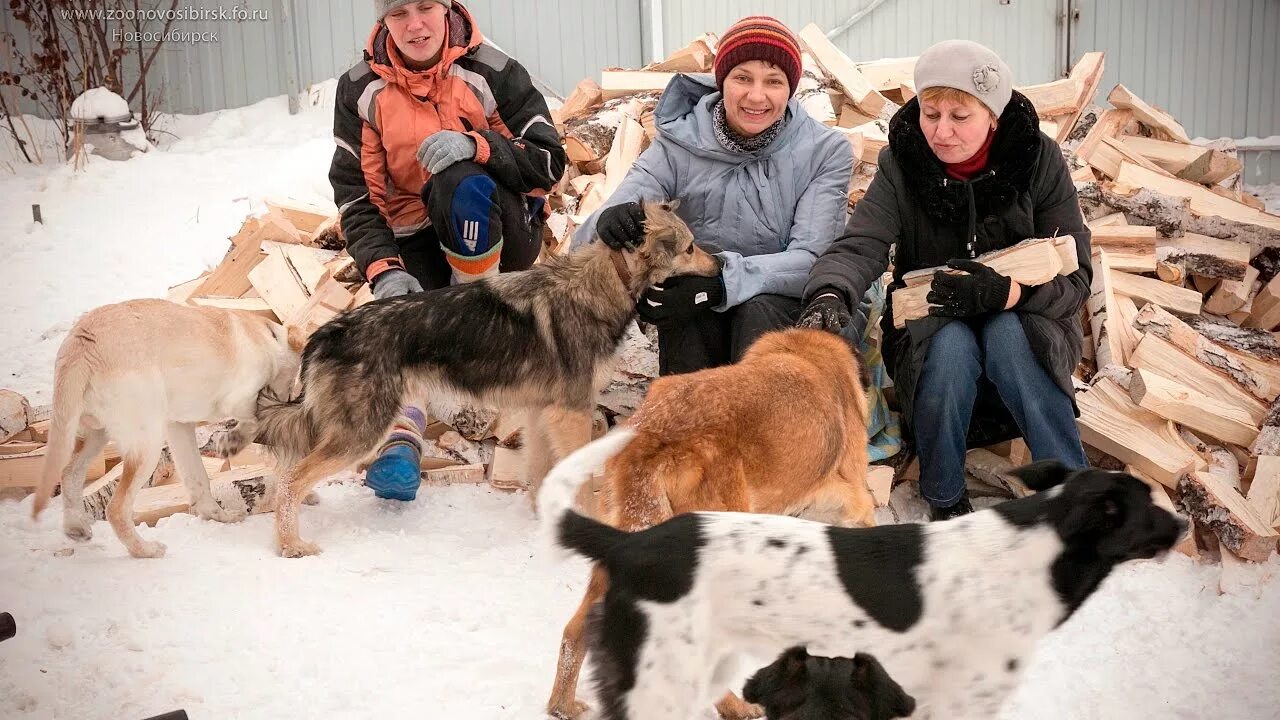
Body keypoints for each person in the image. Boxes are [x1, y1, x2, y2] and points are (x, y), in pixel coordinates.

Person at [798, 40, 1091, 521]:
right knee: (952, 342)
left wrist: (1011, 293)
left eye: (960, 117)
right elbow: (863, 244)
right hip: (933, 332)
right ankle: (945, 496)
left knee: (1007, 332)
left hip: (1028, 320)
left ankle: (1072, 491)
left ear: (992, 117)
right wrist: (831, 290)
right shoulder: (903, 165)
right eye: (931, 114)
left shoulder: (1038, 161)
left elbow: (1077, 274)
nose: (941, 131)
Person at [330, 0, 566, 499]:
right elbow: (355, 196)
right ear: (382, 21)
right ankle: (399, 439)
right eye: (398, 13)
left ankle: (477, 314)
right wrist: (383, 268)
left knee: (456, 178)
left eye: (425, 7)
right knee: (397, 318)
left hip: (499, 237)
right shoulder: (359, 89)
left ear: (447, 8)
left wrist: (479, 146)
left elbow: (550, 161)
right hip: (414, 237)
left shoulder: (493, 70)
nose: (414, 25)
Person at [574, 16, 854, 375]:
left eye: (773, 81)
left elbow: (814, 259)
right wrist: (610, 222)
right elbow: (621, 206)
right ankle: (688, 425)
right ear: (722, 82)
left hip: (784, 307)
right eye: (742, 78)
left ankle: (761, 427)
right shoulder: (681, 141)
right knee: (682, 303)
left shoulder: (824, 152)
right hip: (703, 299)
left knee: (758, 310)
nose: (756, 95)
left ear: (790, 89)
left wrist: (722, 282)